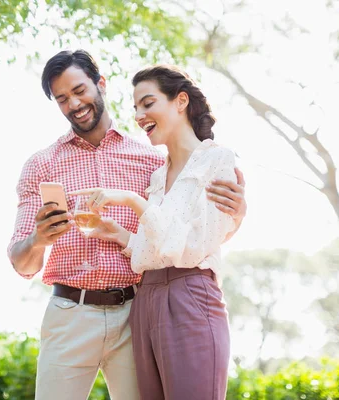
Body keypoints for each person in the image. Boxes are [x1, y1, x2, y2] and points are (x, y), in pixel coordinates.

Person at [7, 50, 246, 400]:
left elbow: (192, 228)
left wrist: (237, 212)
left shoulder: (153, 160)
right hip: (69, 315)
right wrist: (39, 239)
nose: (74, 103)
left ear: (100, 84)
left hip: (137, 314)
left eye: (79, 90)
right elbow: (21, 262)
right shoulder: (41, 165)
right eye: (62, 99)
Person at [70, 64, 238, 399]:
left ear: (180, 101)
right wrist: (118, 234)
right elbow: (155, 251)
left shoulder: (217, 160)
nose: (139, 115)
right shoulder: (158, 178)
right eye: (135, 108)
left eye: (148, 103)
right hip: (145, 302)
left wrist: (133, 201)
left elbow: (191, 247)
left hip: (191, 295)